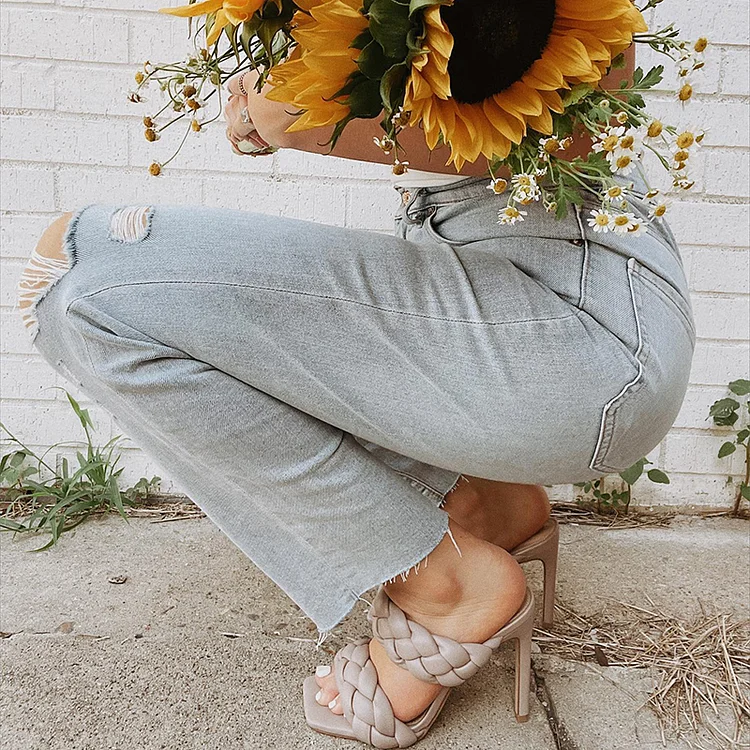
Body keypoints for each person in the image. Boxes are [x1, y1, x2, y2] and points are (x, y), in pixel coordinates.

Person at [15, 42, 695, 749]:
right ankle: (492, 505)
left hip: (584, 340)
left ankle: (448, 587)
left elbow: (582, 121)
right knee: (94, 292)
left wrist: (303, 114)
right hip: (558, 314)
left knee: (84, 284)